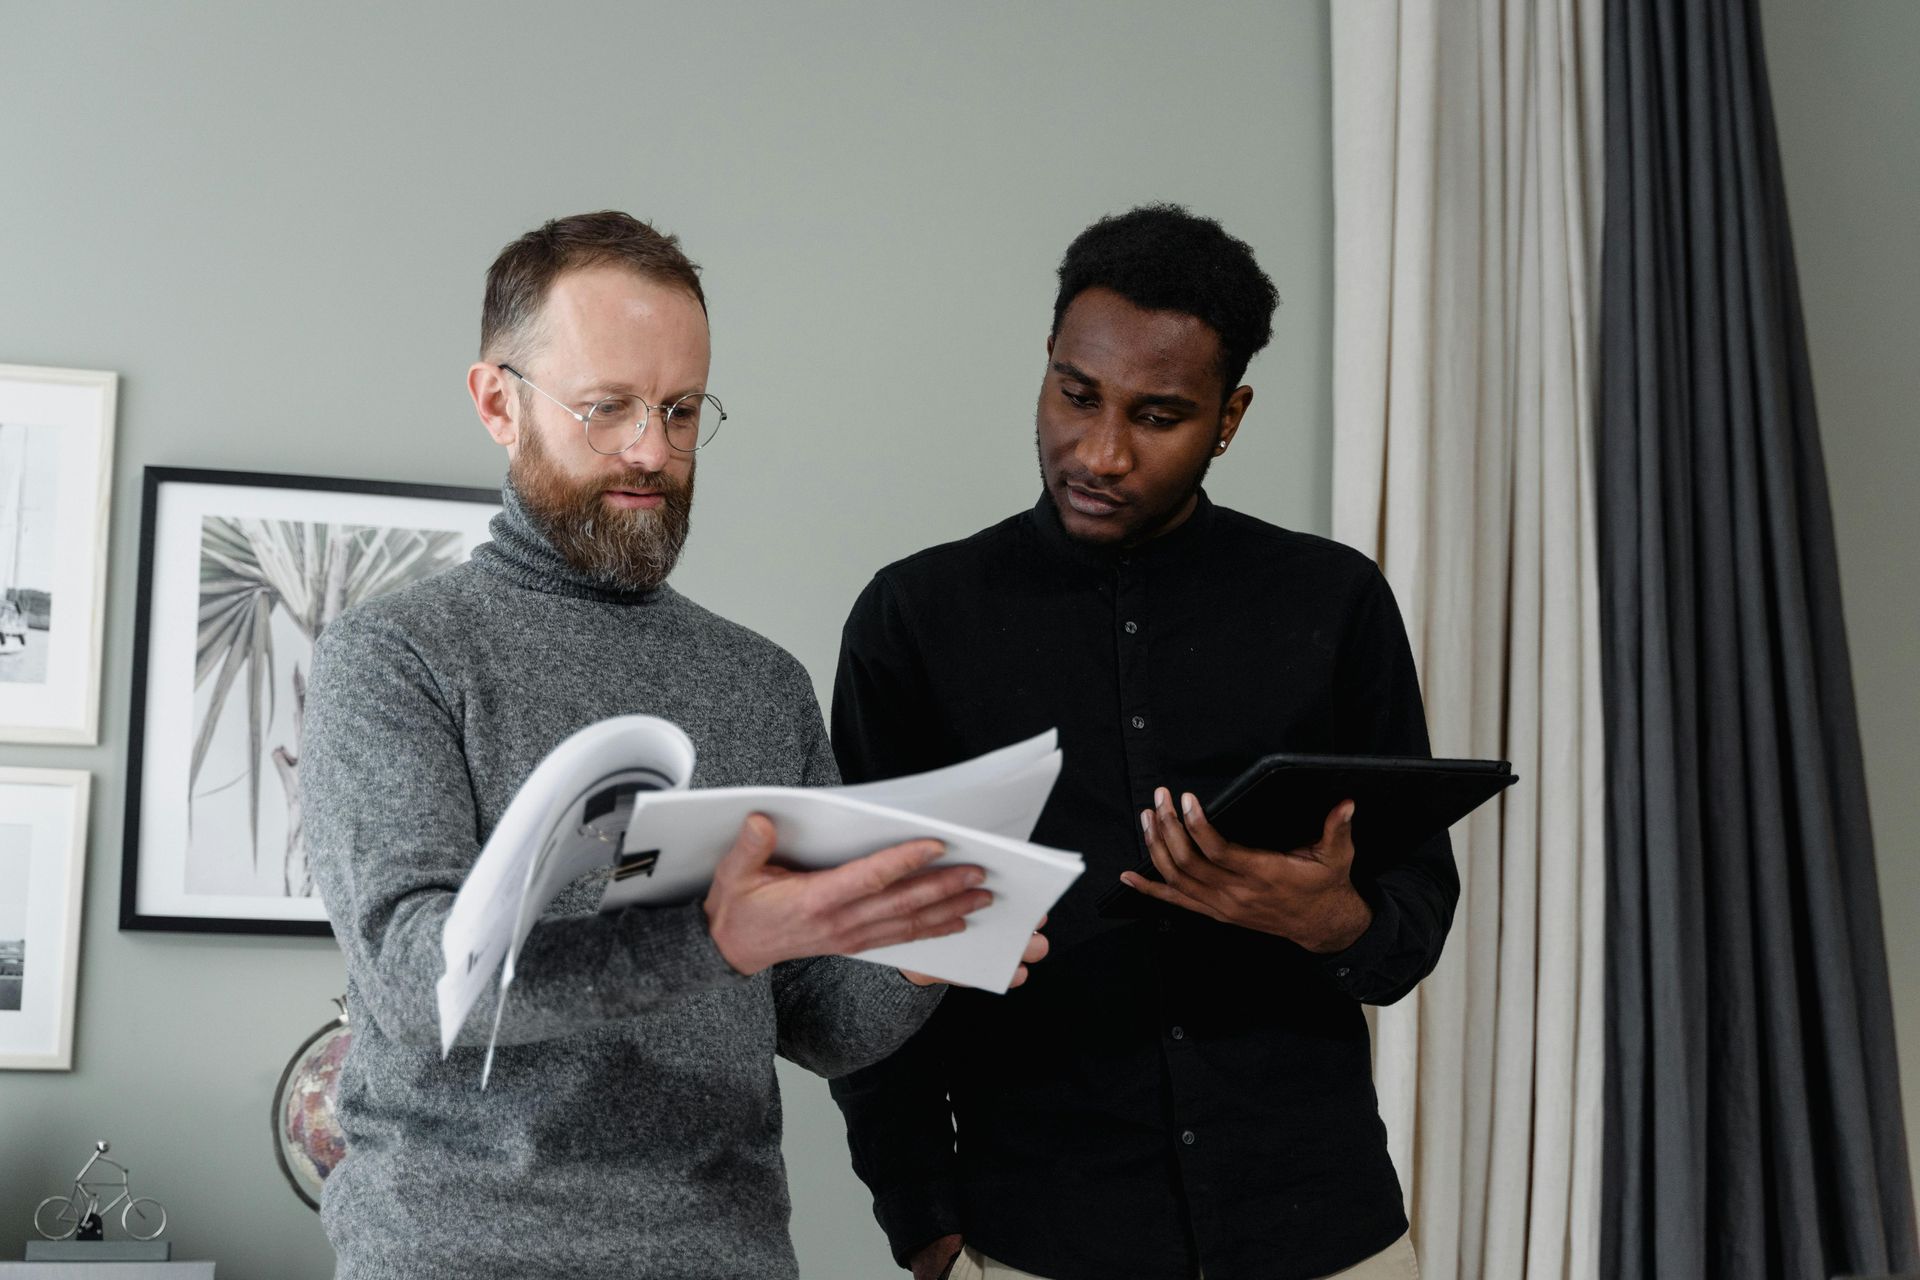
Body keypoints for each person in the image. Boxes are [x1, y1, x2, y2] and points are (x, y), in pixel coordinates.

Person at [304, 210, 1043, 1280]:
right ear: (497, 402)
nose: (653, 449)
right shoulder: (394, 658)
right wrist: (709, 937)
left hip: (725, 1252)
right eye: (607, 409)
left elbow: (819, 1019)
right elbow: (419, 989)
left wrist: (921, 948)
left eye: (683, 408)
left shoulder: (759, 681)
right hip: (458, 1253)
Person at [829, 205, 1457, 1280]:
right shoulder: (913, 621)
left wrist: (1332, 917)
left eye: (1159, 415)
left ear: (1230, 416)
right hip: (1038, 1234)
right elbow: (870, 944)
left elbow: (1412, 914)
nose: (1102, 450)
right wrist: (926, 1224)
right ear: (1048, 363)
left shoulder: (1335, 599)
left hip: (1326, 1231)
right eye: (1077, 395)